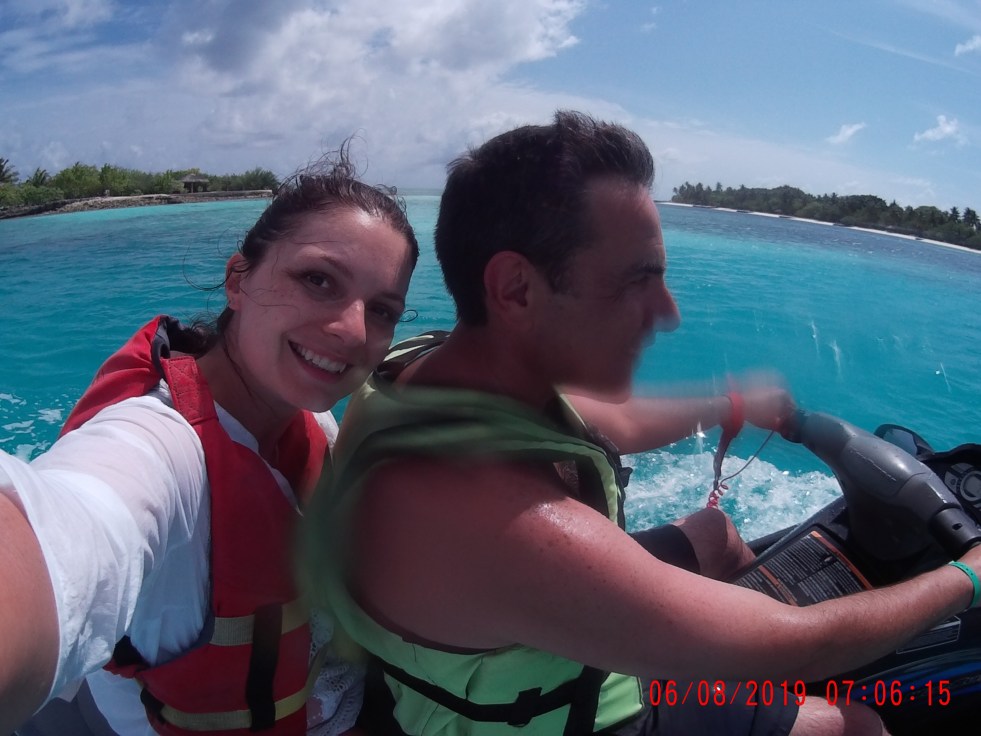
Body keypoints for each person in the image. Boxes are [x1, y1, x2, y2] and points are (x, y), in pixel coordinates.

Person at [303, 111, 981, 736]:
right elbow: (794, 644)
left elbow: (608, 422)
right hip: (570, 717)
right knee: (855, 723)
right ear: (515, 288)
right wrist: (969, 577)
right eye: (636, 280)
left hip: (490, 645)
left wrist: (726, 404)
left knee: (714, 532)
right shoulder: (500, 519)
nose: (667, 312)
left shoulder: (422, 365)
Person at [0, 148, 419, 736]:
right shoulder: (161, 453)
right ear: (237, 280)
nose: (353, 330)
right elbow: (70, 532)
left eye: (382, 310)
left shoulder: (312, 422)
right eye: (318, 279)